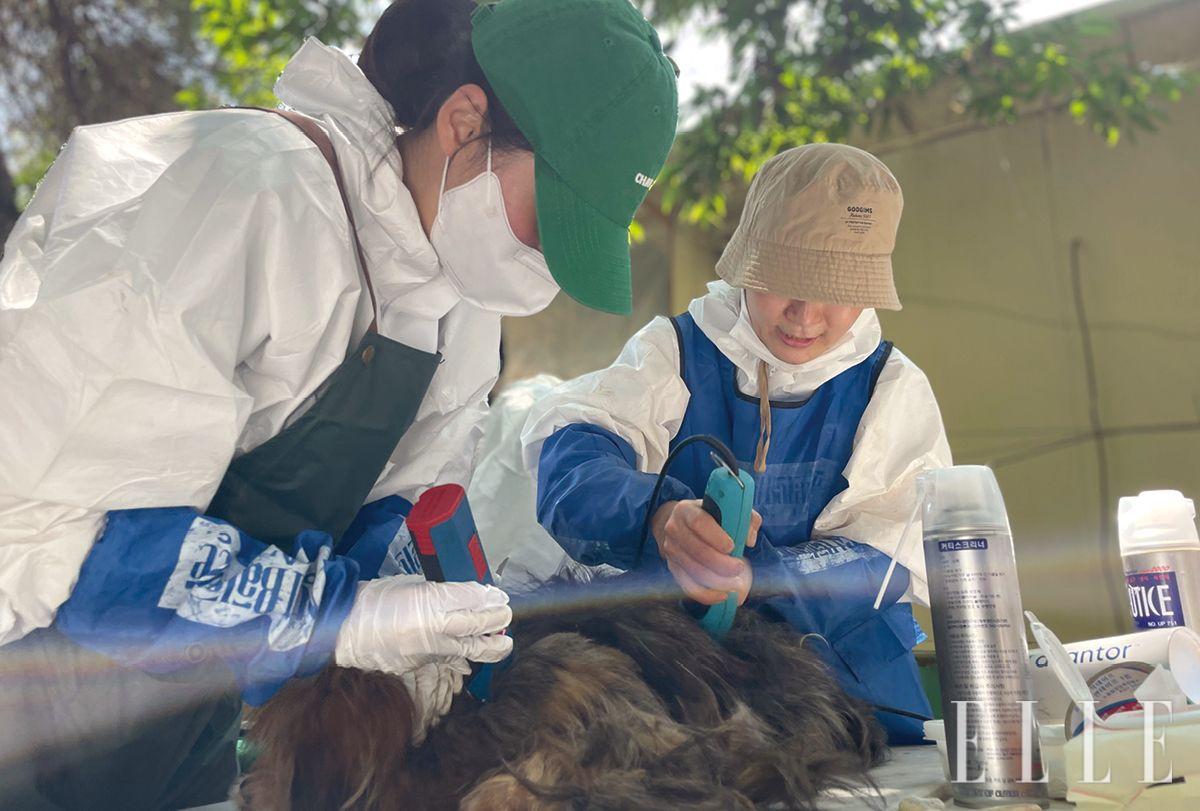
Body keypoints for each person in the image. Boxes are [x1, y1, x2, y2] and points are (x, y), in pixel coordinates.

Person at [0, 0, 678, 805]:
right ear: (464, 122)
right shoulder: (238, 197)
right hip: (39, 709)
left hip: (194, 726)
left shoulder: (452, 295)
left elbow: (395, 499)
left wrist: (420, 605)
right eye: (549, 222)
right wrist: (335, 614)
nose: (545, 273)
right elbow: (58, 544)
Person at [522, 144, 951, 744]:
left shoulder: (891, 387)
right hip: (687, 680)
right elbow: (573, 460)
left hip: (851, 694)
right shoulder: (677, 350)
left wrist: (762, 576)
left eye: (835, 290)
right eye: (782, 282)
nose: (805, 315)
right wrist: (658, 514)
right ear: (748, 264)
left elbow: (891, 555)